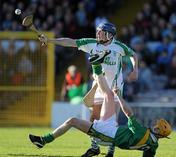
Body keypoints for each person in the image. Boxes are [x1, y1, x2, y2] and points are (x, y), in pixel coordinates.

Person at [29, 52, 172, 157]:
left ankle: (44, 140)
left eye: (157, 125)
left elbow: (129, 113)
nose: (155, 123)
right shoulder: (153, 146)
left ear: (158, 131)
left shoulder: (143, 132)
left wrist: (119, 97)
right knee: (106, 96)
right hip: (111, 130)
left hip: (107, 134)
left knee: (73, 120)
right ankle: (97, 65)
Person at [38, 22, 138, 157]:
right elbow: (70, 42)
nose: (98, 34)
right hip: (98, 87)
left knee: (112, 121)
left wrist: (135, 69)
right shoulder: (91, 43)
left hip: (115, 88)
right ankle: (95, 147)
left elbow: (133, 55)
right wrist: (49, 40)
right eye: (98, 31)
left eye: (101, 32)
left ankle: (111, 151)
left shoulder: (119, 46)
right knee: (94, 119)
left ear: (109, 34)